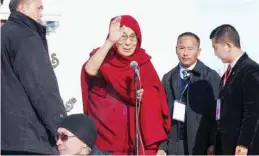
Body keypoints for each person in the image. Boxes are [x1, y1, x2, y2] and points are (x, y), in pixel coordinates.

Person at [80, 15, 171, 155]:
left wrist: (161, 147)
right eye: (122, 37)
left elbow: (159, 105)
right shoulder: (104, 58)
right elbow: (90, 69)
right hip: (107, 146)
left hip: (140, 146)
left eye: (132, 36)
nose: (128, 43)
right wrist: (110, 41)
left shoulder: (142, 63)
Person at [1, 0, 67, 155]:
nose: (41, 12)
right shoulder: (26, 36)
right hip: (30, 138)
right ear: (22, 7)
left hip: (7, 138)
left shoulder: (4, 34)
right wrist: (61, 129)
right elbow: (41, 87)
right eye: (38, 8)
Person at [161, 32, 221, 155]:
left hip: (201, 144)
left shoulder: (210, 77)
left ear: (198, 51)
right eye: (181, 48)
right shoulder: (168, 78)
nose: (185, 53)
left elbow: (217, 114)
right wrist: (162, 146)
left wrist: (214, 143)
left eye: (190, 49)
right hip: (175, 144)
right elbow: (161, 114)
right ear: (176, 49)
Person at [210, 24, 259, 155]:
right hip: (225, 143)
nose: (215, 54)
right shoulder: (229, 71)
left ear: (228, 45)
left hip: (240, 146)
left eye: (215, 48)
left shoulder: (250, 70)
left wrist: (244, 143)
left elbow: (253, 111)